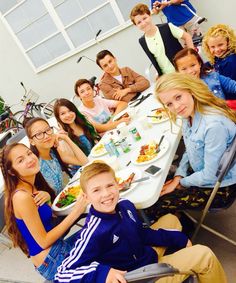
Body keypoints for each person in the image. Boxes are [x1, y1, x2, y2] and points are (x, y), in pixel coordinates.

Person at [54, 162, 227, 283]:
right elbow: (61, 274)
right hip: (140, 277)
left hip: (143, 255)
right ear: (86, 197)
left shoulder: (125, 205)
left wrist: (180, 239)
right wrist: (103, 273)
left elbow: (141, 233)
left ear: (118, 185)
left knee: (171, 219)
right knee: (204, 255)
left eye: (110, 186)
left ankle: (179, 254)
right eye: (96, 190)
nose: (106, 194)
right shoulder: (94, 232)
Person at [146, 72, 236, 219]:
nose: (176, 106)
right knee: (159, 181)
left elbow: (209, 176)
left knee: (156, 201)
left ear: (190, 90)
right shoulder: (189, 115)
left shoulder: (213, 126)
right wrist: (179, 175)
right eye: (169, 104)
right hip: (204, 171)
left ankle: (179, 230)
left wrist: (181, 182)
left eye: (178, 97)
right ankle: (180, 222)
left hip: (221, 186)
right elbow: (190, 149)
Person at [0, 143, 87, 281]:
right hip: (52, 260)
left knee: (102, 226)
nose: (30, 159)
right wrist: (76, 212)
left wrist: (47, 197)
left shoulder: (31, 185)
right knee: (106, 235)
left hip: (57, 248)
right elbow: (43, 241)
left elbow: (47, 218)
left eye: (29, 153)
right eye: (20, 160)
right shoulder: (21, 197)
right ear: (11, 171)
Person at [24, 117, 88, 195]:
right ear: (32, 141)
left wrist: (66, 138)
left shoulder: (53, 152)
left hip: (71, 196)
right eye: (39, 134)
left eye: (48, 130)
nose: (46, 136)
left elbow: (84, 162)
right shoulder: (34, 165)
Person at [130, 3, 194, 75]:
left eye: (145, 18)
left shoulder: (167, 27)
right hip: (167, 78)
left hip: (182, 71)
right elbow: (155, 61)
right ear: (136, 26)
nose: (143, 23)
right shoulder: (142, 41)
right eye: (139, 22)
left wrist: (191, 56)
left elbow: (187, 37)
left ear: (150, 16)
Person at [203, 24, 236, 93]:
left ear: (228, 42)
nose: (217, 49)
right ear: (208, 47)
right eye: (212, 47)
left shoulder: (230, 62)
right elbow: (212, 63)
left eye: (220, 45)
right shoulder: (221, 57)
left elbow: (228, 86)